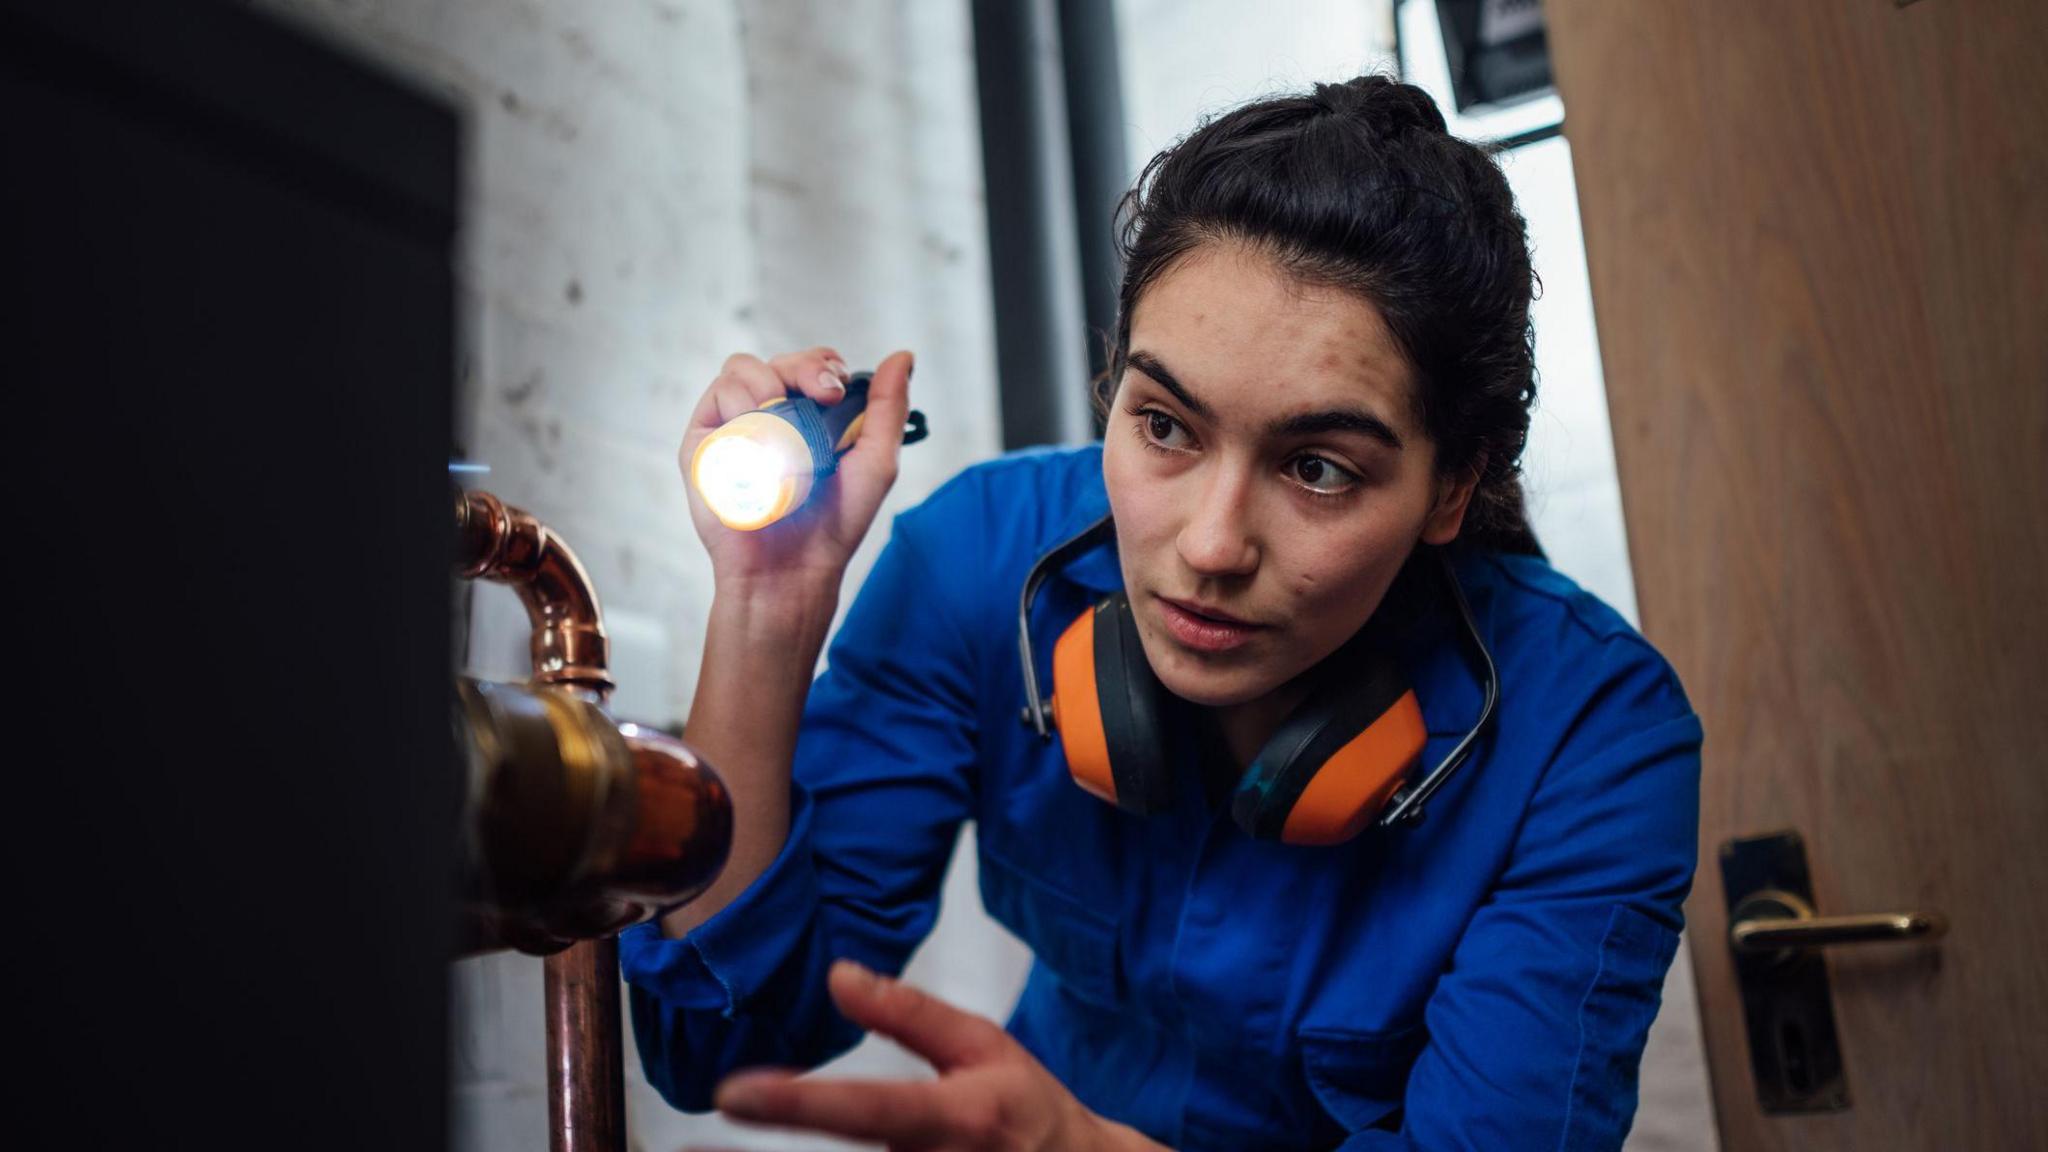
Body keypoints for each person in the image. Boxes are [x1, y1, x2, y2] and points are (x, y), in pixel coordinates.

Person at [620, 74, 1703, 1151]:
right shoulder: (978, 564)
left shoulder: (1594, 737)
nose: (1208, 545)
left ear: (1450, 489)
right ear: (1114, 390)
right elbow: (717, 1046)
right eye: (1166, 426)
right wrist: (766, 610)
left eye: (1318, 467)